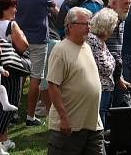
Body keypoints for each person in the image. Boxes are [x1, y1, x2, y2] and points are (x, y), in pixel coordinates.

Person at [47, 8, 104, 155]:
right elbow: (53, 85)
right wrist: (64, 118)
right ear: (70, 26)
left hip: (92, 124)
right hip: (70, 126)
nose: (89, 27)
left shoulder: (87, 47)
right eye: (84, 23)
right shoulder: (61, 50)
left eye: (89, 23)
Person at [13, 0, 56, 127]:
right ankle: (30, 116)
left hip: (20, 39)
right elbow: (54, 4)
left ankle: (14, 111)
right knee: (35, 79)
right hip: (38, 40)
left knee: (20, 76)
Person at [0, 0, 28, 154]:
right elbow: (23, 46)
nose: (16, 10)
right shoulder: (12, 25)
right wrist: (24, 35)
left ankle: (4, 138)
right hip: (11, 70)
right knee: (10, 103)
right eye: (13, 7)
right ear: (5, 9)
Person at [86, 8, 119, 126]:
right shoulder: (94, 41)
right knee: (99, 122)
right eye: (113, 26)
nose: (114, 29)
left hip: (105, 88)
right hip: (100, 88)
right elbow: (103, 66)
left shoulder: (100, 41)